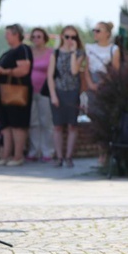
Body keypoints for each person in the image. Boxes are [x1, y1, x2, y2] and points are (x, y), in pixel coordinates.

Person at [0, 24, 34, 166]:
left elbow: (24, 70)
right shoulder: (8, 52)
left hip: (17, 93)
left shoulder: (23, 49)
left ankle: (18, 156)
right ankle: (6, 155)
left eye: (8, 34)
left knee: (18, 125)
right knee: (6, 125)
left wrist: (5, 72)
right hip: (4, 94)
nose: (6, 36)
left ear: (16, 34)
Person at [48, 26, 86, 168]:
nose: (70, 40)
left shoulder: (80, 53)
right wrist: (53, 95)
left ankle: (69, 157)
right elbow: (50, 76)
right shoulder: (55, 53)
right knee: (57, 126)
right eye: (67, 36)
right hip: (58, 91)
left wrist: (72, 53)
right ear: (62, 36)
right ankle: (59, 157)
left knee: (72, 126)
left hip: (72, 92)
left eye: (73, 37)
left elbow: (74, 71)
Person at [84, 21, 121, 166]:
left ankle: (105, 153)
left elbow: (115, 71)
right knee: (94, 118)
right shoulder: (89, 48)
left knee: (105, 119)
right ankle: (98, 152)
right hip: (92, 85)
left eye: (98, 30)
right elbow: (86, 68)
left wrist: (104, 83)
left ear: (107, 33)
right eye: (94, 30)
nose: (95, 33)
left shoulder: (114, 49)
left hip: (106, 84)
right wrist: (90, 84)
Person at [26, 27, 54, 162]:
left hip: (45, 91)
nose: (36, 39)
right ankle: (34, 150)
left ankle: (47, 151)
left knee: (46, 122)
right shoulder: (28, 52)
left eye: (39, 36)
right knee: (33, 122)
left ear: (44, 38)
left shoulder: (50, 53)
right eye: (34, 36)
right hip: (30, 91)